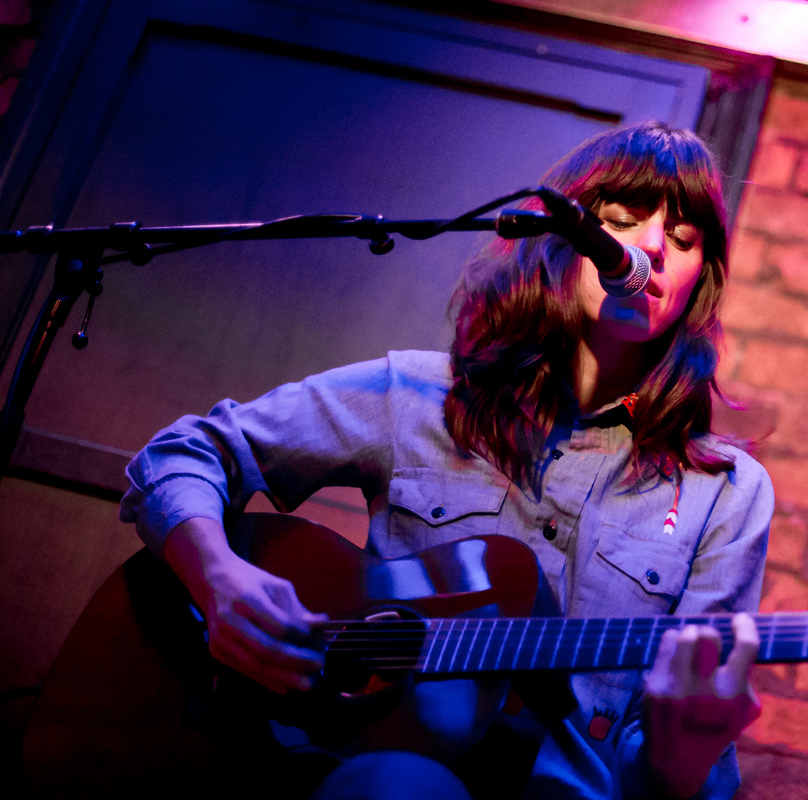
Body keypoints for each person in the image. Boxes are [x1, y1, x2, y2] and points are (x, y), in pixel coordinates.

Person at [120, 121, 774, 799]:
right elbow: (181, 454)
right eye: (624, 220)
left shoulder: (725, 495)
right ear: (566, 237)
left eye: (681, 238)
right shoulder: (419, 396)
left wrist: (680, 760)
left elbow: (672, 776)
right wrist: (220, 580)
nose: (649, 249)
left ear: (701, 278)